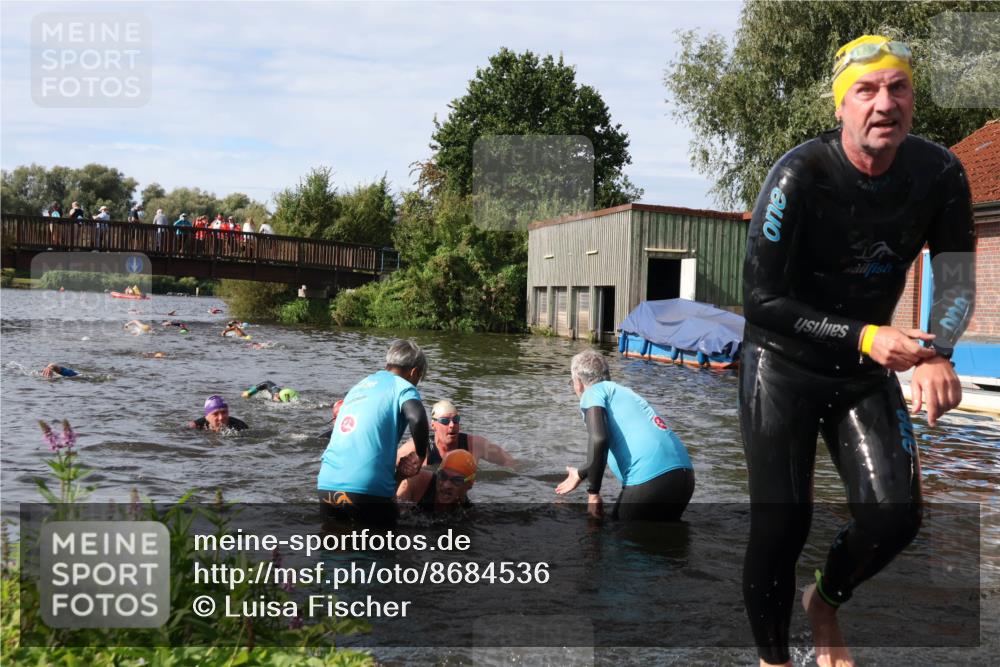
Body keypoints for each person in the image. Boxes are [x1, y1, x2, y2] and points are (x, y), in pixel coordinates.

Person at [738, 36, 975, 667]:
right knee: (782, 527)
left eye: (898, 87)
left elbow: (955, 280)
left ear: (913, 102)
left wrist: (938, 352)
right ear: (841, 107)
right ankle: (774, 662)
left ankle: (825, 603)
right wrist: (868, 335)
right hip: (781, 365)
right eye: (866, 91)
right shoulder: (799, 175)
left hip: (863, 371)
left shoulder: (941, 174)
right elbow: (760, 301)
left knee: (895, 518)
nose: (884, 103)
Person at [555, 350, 695, 521]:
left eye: (572, 382)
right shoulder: (623, 392)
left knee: (619, 541)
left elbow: (599, 439)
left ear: (578, 382)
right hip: (684, 476)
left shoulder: (591, 393)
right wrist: (581, 473)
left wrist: (593, 493)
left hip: (649, 478)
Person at [316, 339, 430, 526]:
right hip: (366, 489)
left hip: (327, 484)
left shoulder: (360, 385)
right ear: (414, 372)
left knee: (333, 549)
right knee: (383, 550)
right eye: (419, 378)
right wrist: (420, 454)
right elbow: (417, 417)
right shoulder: (403, 386)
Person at [396, 399, 516, 467]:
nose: (452, 425)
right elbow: (388, 465)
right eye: (445, 421)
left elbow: (509, 462)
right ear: (433, 425)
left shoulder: (474, 444)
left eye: (456, 420)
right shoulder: (418, 447)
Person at [397, 449, 476, 511]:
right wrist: (399, 477)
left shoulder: (467, 510)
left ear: (469, 485)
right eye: (443, 476)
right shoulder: (416, 482)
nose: (446, 485)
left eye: (457, 480)